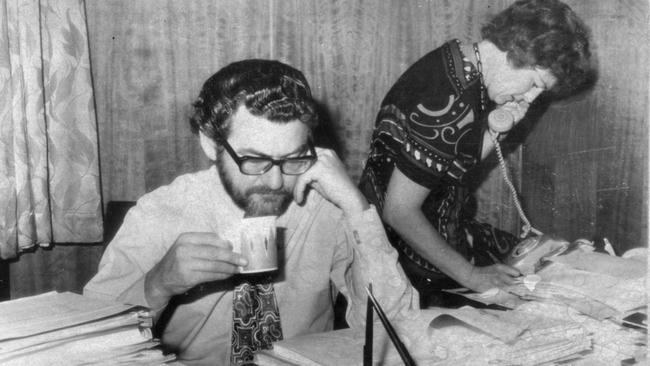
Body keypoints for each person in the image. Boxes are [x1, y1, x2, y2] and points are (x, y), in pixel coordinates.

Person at [84, 59, 418, 365]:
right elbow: (88, 351)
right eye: (254, 160)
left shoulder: (324, 208)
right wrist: (157, 285)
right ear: (210, 143)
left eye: (292, 158)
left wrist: (357, 207)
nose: (276, 181)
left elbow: (399, 331)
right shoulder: (159, 214)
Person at [358, 0, 594, 298]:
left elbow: (447, 172)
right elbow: (400, 211)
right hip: (406, 254)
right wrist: (471, 275)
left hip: (432, 229)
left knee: (552, 261)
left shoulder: (459, 61)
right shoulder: (451, 99)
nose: (531, 98)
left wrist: (496, 131)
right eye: (535, 83)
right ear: (518, 51)